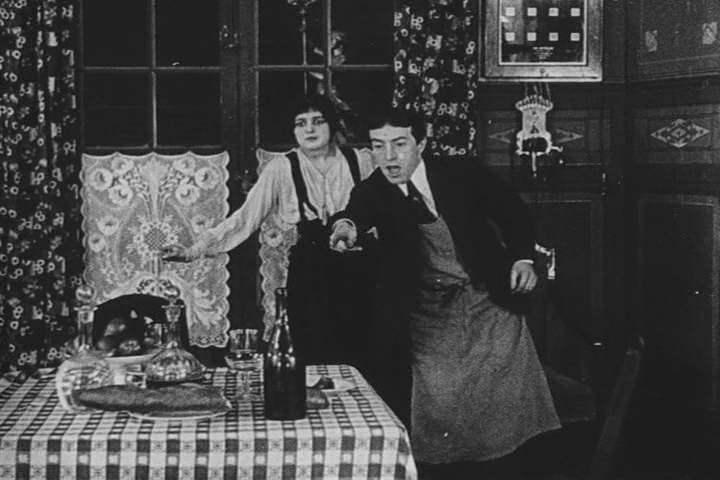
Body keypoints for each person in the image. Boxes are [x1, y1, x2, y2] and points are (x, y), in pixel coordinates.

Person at [330, 109, 560, 475]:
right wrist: (346, 227)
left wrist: (522, 259)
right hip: (429, 310)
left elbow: (512, 211)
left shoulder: (460, 173)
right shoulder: (374, 189)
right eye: (378, 146)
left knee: (504, 400)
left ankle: (508, 468)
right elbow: (354, 213)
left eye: (399, 144)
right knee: (440, 401)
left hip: (489, 300)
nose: (389, 157)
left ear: (420, 144)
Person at [162, 94, 375, 366]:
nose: (309, 129)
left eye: (318, 121)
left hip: (358, 266)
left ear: (332, 125)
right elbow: (245, 218)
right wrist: (194, 250)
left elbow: (381, 209)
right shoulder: (282, 168)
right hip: (312, 270)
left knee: (361, 348)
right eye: (301, 123)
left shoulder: (361, 161)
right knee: (313, 349)